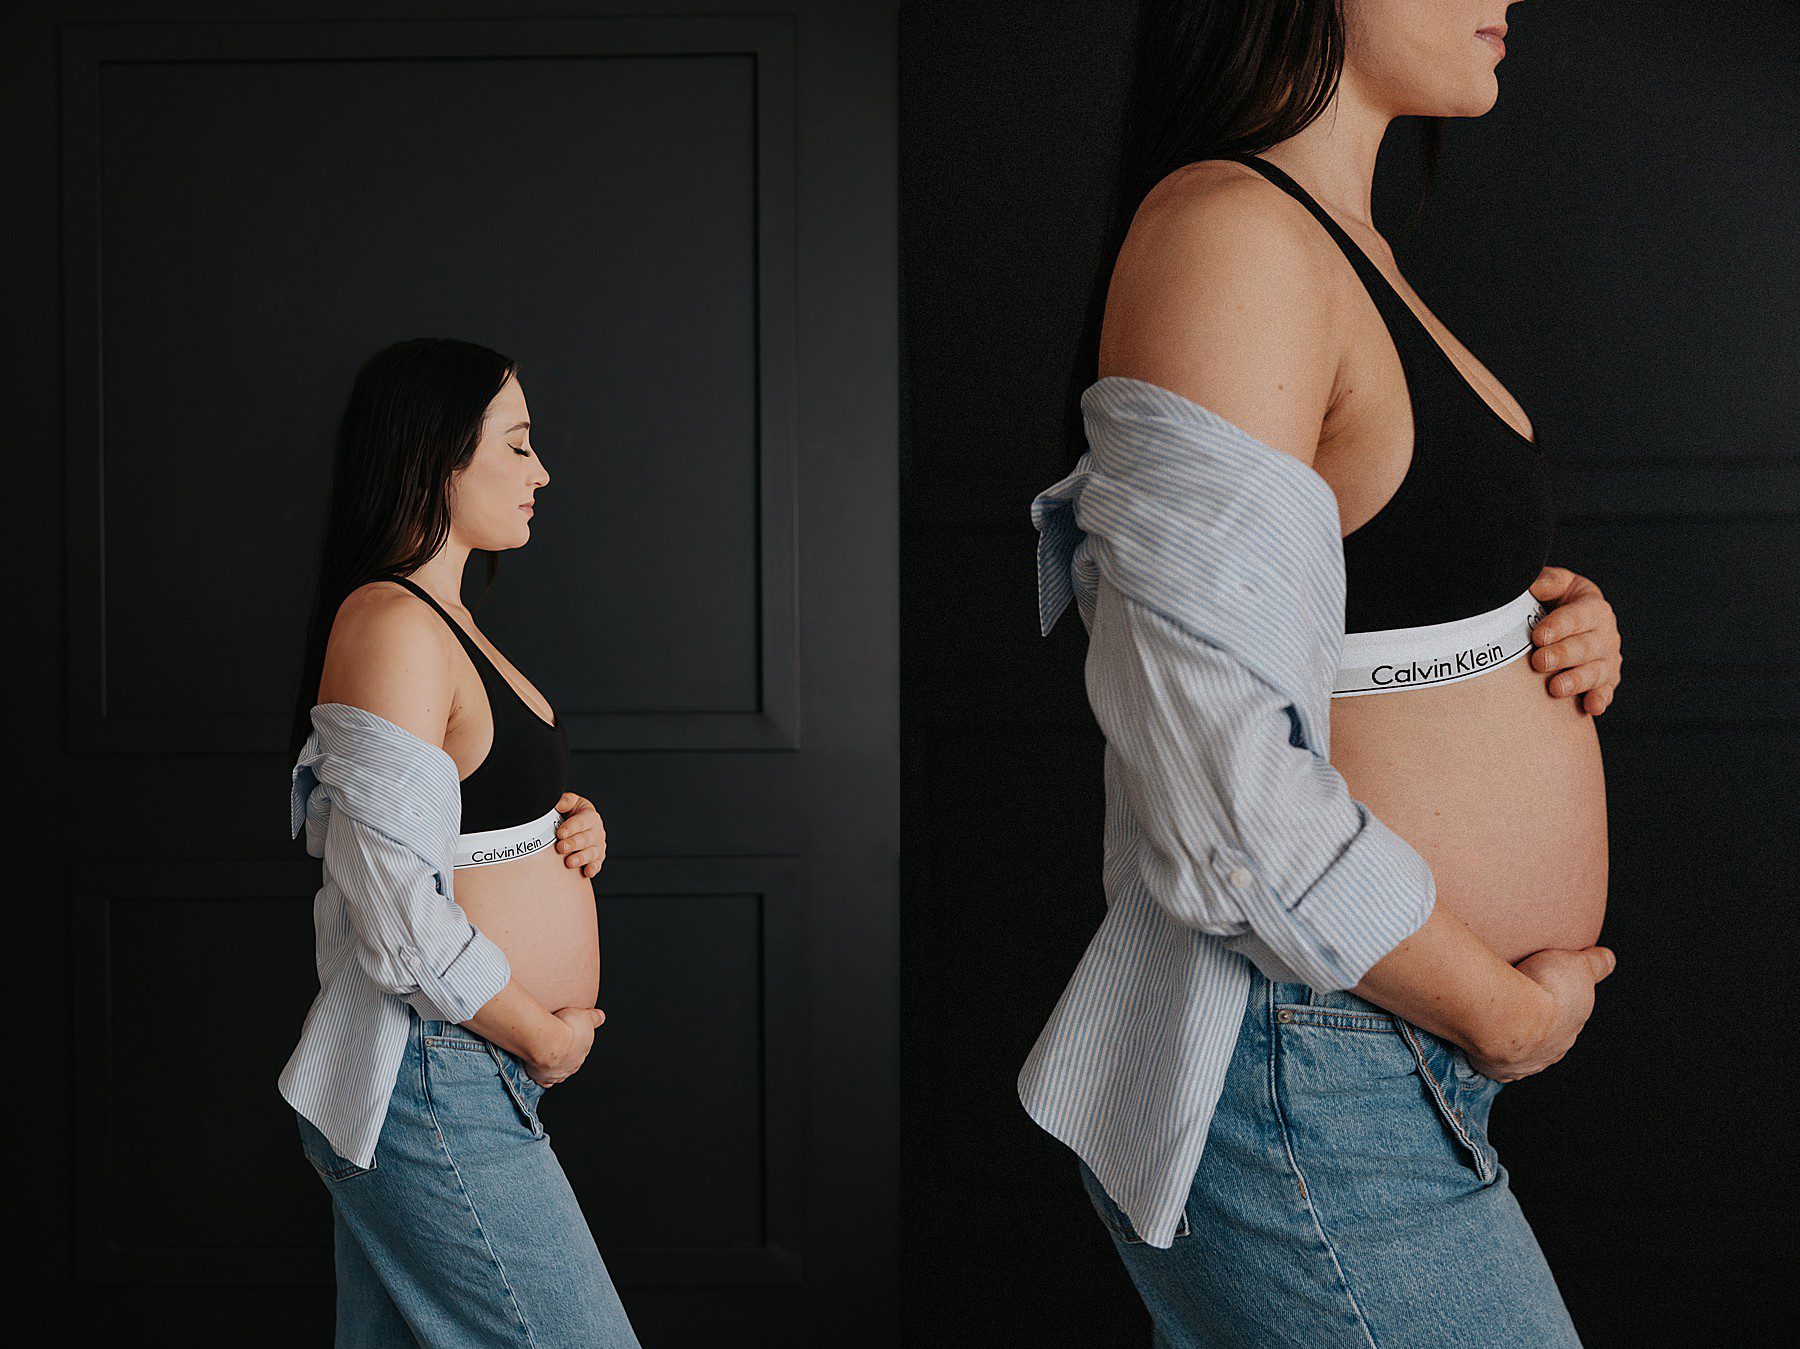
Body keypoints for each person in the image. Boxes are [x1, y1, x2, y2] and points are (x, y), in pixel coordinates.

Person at [1020, 3, 1625, 1344]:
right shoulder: (1229, 237)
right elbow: (1214, 783)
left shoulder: (1336, 246)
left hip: (1367, 1056)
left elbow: (1351, 597)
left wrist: (1537, 625)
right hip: (1309, 1054)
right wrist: (1505, 1011)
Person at [280, 337, 642, 1347]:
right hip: (436, 1071)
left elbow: (462, 819)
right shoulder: (390, 623)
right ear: (435, 454)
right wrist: (544, 1033)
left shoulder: (447, 617)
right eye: (518, 446)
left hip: (461, 1068)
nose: (543, 473)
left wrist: (560, 829)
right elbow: (399, 917)